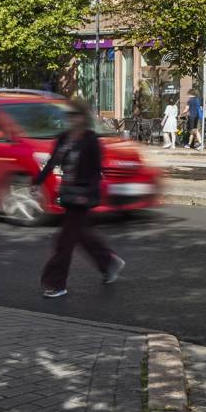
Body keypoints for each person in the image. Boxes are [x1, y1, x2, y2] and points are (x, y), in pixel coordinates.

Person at [38, 100, 124, 298]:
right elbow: (52, 162)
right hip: (68, 194)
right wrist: (37, 182)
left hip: (83, 195)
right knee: (81, 234)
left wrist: (89, 194)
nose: (71, 119)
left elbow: (96, 171)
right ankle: (108, 262)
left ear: (83, 118)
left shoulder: (90, 140)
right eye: (69, 115)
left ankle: (56, 283)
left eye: (74, 115)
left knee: (65, 241)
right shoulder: (64, 138)